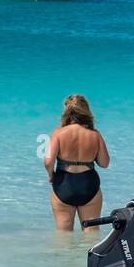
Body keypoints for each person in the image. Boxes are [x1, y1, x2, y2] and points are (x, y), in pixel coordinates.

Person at [44, 94, 111, 231]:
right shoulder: (94, 134)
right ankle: (89, 253)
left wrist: (51, 174)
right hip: (88, 184)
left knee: (63, 235)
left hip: (64, 184)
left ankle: (64, 254)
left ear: (66, 111)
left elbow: (48, 161)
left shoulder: (58, 133)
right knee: (91, 234)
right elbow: (104, 163)